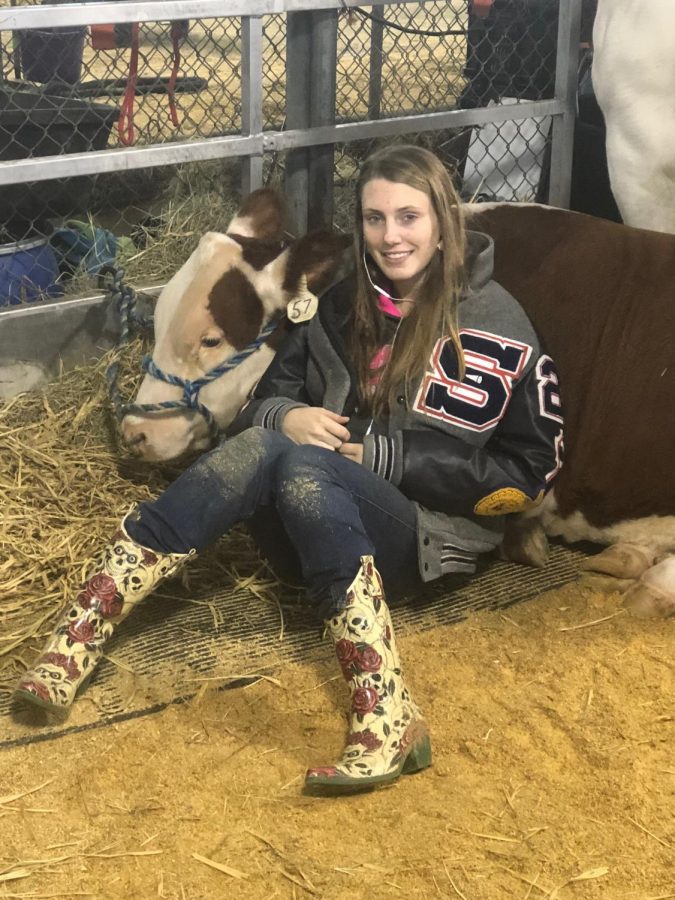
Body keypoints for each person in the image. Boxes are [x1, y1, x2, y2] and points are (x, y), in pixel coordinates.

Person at [15, 145, 563, 795]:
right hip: (306, 533)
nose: (391, 237)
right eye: (374, 218)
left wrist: (394, 456)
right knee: (277, 448)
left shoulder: (500, 323)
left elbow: (530, 472)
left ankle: (386, 713)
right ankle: (85, 628)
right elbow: (263, 402)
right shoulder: (335, 305)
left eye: (408, 217)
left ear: (443, 220)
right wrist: (283, 416)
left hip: (416, 544)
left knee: (303, 468)